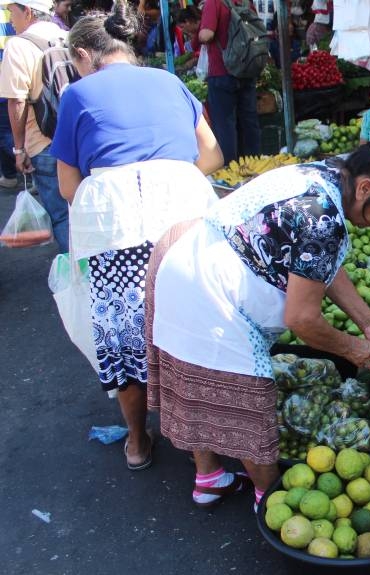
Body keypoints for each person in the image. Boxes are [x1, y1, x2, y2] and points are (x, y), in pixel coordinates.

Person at [145, 128, 370, 509]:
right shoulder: (323, 217)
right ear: (365, 187)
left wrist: (365, 319)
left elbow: (319, 264)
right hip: (212, 293)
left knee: (197, 382)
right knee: (248, 405)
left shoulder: (325, 174)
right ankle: (268, 502)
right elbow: (302, 320)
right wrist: (352, 348)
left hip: (183, 262)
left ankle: (209, 478)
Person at [49, 3, 222, 471]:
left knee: (125, 339)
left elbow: (67, 188)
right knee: (186, 326)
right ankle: (201, 443)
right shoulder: (170, 81)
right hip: (186, 221)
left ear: (85, 54)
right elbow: (212, 155)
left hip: (118, 231)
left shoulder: (78, 95)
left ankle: (138, 439)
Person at [0, 0, 70, 252]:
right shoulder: (68, 36)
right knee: (85, 211)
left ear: (27, 11)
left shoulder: (18, 46)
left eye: (12, 13)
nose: (10, 20)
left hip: (44, 142)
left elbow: (16, 101)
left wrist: (18, 149)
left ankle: (80, 281)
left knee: (62, 216)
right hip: (77, 139)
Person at [196, 0, 261, 164]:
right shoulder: (246, 2)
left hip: (222, 71)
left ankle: (230, 170)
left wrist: (198, 34)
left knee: (225, 125)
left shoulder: (214, 2)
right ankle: (255, 165)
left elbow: (207, 34)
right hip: (246, 69)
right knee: (249, 122)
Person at [0, 3, 21, 190]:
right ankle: (9, 174)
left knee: (5, 132)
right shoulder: (11, 7)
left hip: (6, 81)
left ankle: (33, 167)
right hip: (14, 77)